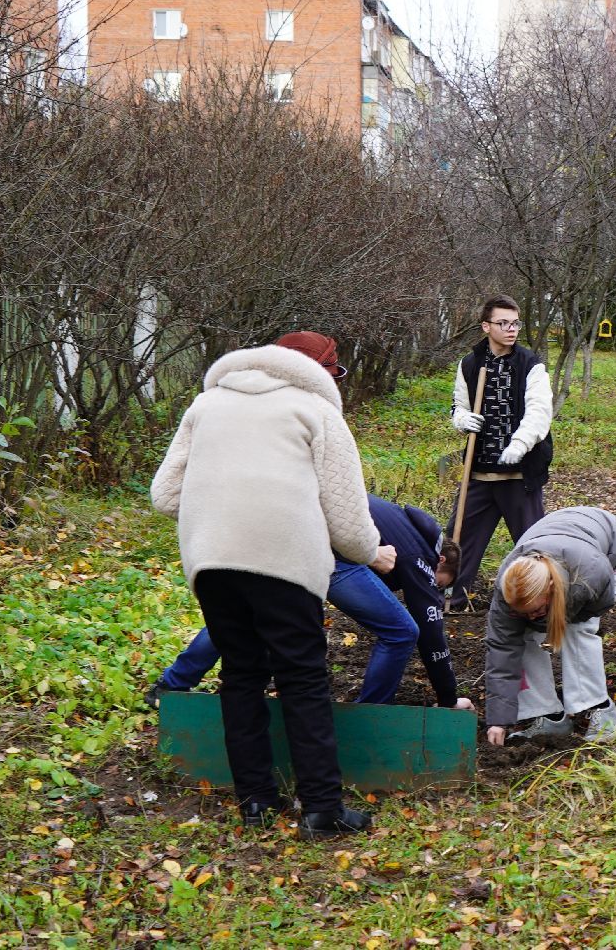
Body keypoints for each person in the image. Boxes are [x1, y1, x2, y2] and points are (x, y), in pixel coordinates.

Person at [150, 330, 378, 838]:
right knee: (302, 678)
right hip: (285, 562)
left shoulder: (206, 405)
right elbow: (347, 521)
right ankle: (321, 807)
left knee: (240, 674)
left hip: (212, 560)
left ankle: (255, 800)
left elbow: (165, 495)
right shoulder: (318, 413)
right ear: (324, 370)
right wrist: (374, 553)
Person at [146, 496, 474, 711]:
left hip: (282, 530)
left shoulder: (398, 523)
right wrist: (447, 698)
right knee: (401, 631)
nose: (437, 592)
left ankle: (171, 685)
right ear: (441, 561)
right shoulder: (421, 556)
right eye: (442, 585)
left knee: (241, 616)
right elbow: (431, 632)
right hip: (327, 554)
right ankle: (372, 713)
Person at [483, 507, 616, 746]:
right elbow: (502, 649)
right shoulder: (509, 587)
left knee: (576, 630)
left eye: (536, 609)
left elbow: (598, 606)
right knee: (520, 635)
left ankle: (602, 710)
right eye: (526, 612)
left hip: (611, 552)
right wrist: (498, 719)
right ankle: (550, 716)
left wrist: (554, 619)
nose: (532, 616)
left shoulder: (588, 576)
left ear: (552, 587)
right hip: (562, 537)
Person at [447, 295, 554, 611]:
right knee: (459, 540)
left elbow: (539, 411)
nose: (511, 329)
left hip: (518, 476)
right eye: (503, 323)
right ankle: (454, 598)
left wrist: (520, 444)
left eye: (515, 323)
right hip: (478, 473)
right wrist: (462, 420)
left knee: (533, 544)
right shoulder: (470, 363)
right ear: (486, 326)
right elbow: (458, 406)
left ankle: (544, 601)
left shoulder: (530, 364)